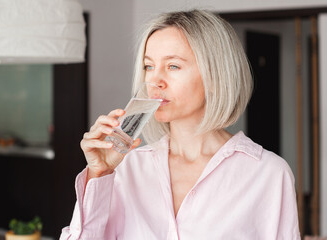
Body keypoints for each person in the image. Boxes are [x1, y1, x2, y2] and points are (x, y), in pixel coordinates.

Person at [60, 9, 300, 240]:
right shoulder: (127, 167)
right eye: (149, 66)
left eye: (173, 66)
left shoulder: (268, 174)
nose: (154, 81)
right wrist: (99, 174)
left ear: (215, 77)